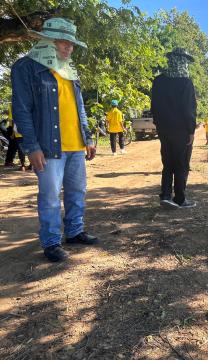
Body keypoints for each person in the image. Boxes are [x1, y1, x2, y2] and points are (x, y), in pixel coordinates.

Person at [11, 18, 98, 262]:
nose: (69, 48)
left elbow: (79, 107)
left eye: (71, 44)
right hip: (48, 147)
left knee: (77, 191)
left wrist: (88, 137)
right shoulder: (25, 68)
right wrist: (31, 146)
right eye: (64, 43)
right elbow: (21, 110)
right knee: (50, 197)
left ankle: (75, 231)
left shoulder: (69, 70)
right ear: (47, 41)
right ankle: (51, 242)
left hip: (76, 145)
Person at [151, 48, 197, 209]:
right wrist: (191, 130)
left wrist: (159, 125)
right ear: (183, 62)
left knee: (168, 163)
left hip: (164, 130)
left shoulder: (158, 81)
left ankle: (165, 195)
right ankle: (180, 199)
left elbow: (154, 107)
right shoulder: (185, 82)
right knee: (182, 164)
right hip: (182, 131)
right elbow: (188, 109)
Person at [4, 104, 29, 170]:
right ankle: (30, 165)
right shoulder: (26, 104)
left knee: (20, 148)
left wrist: (12, 133)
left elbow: (13, 120)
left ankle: (23, 165)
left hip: (18, 131)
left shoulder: (13, 105)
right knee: (28, 147)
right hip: (26, 130)